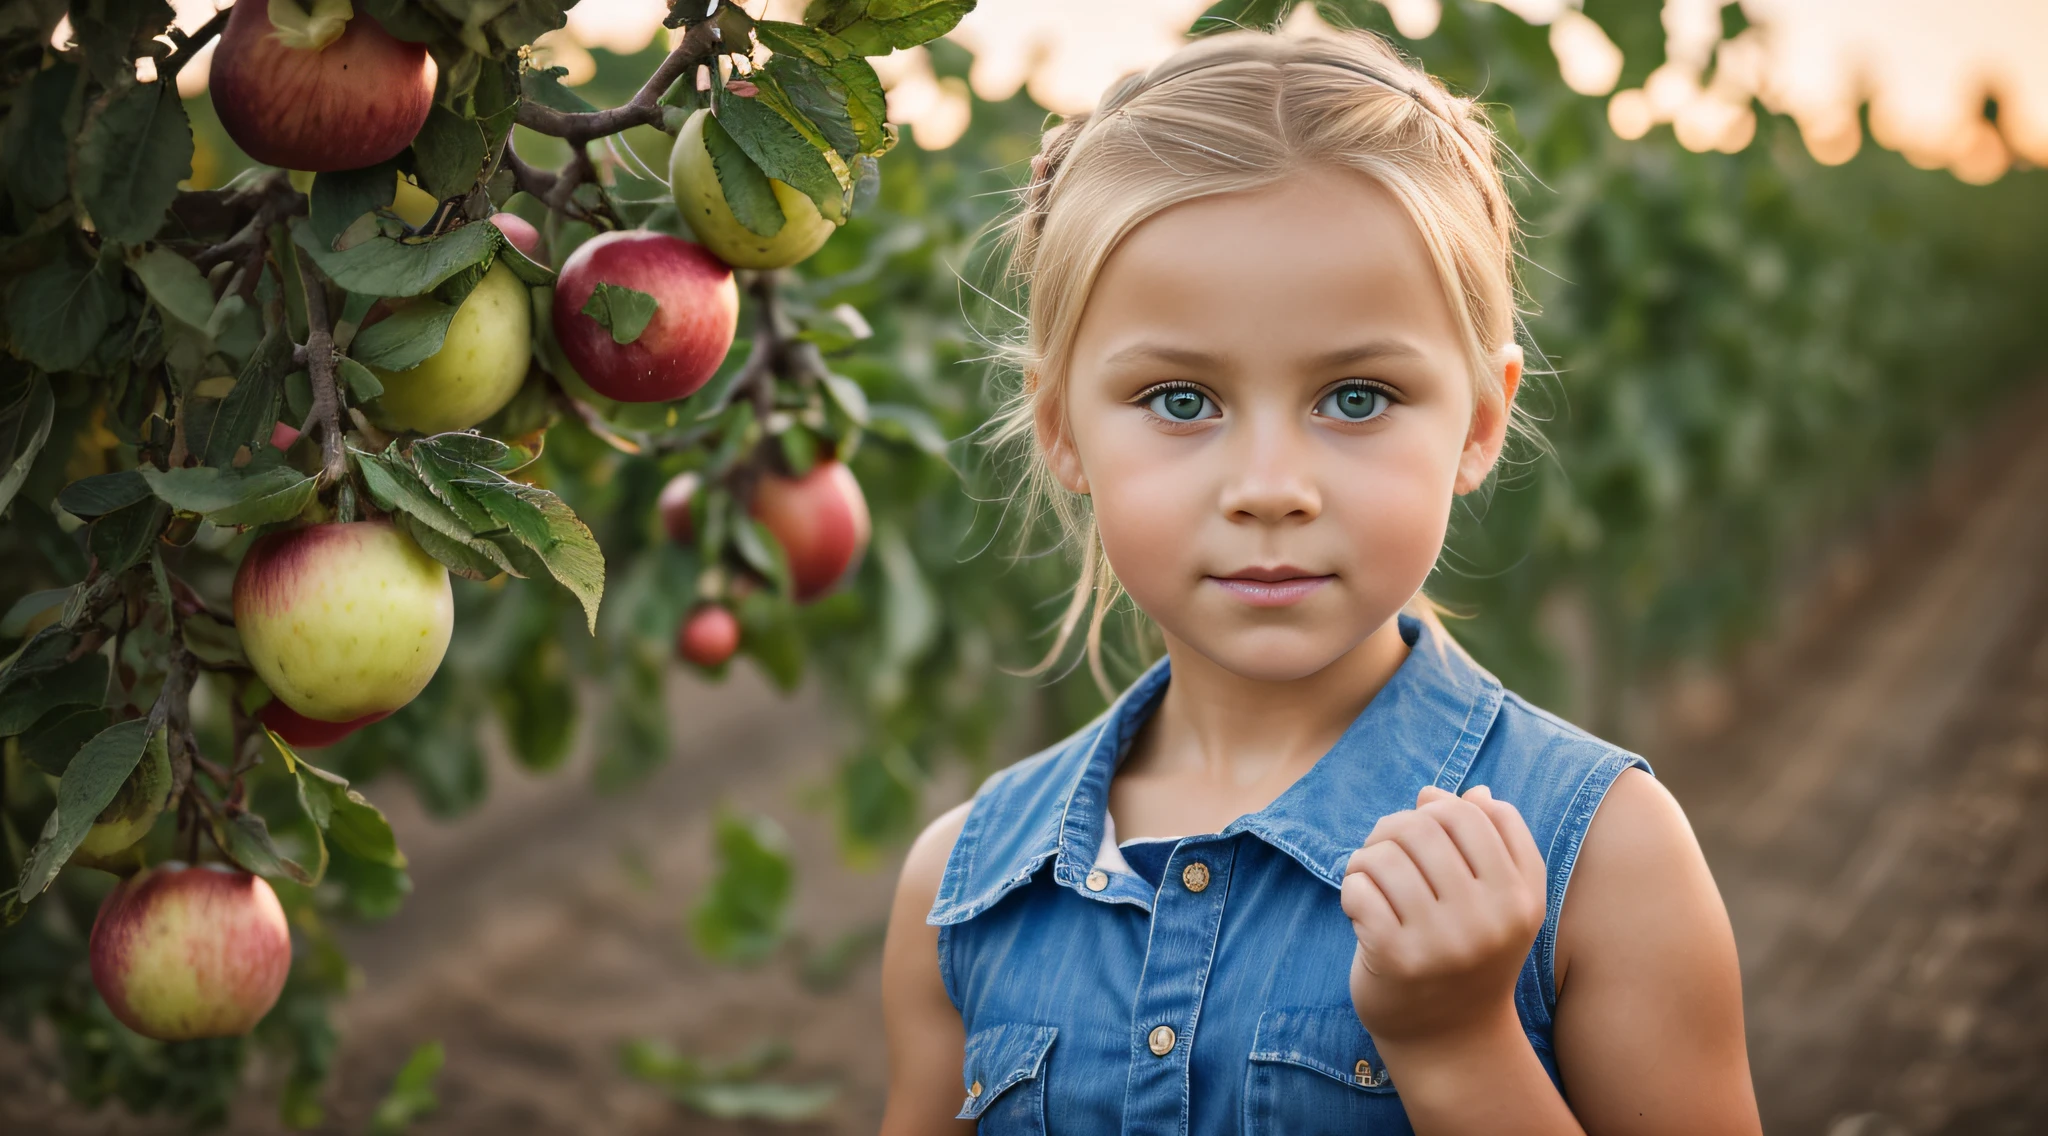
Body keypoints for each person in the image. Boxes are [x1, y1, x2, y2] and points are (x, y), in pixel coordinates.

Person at [880, 26, 1760, 1136]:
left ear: (1478, 422)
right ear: (1060, 428)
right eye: (1179, 400)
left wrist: (1455, 1041)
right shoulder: (964, 887)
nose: (1268, 487)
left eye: (1353, 397)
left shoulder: (1600, 854)